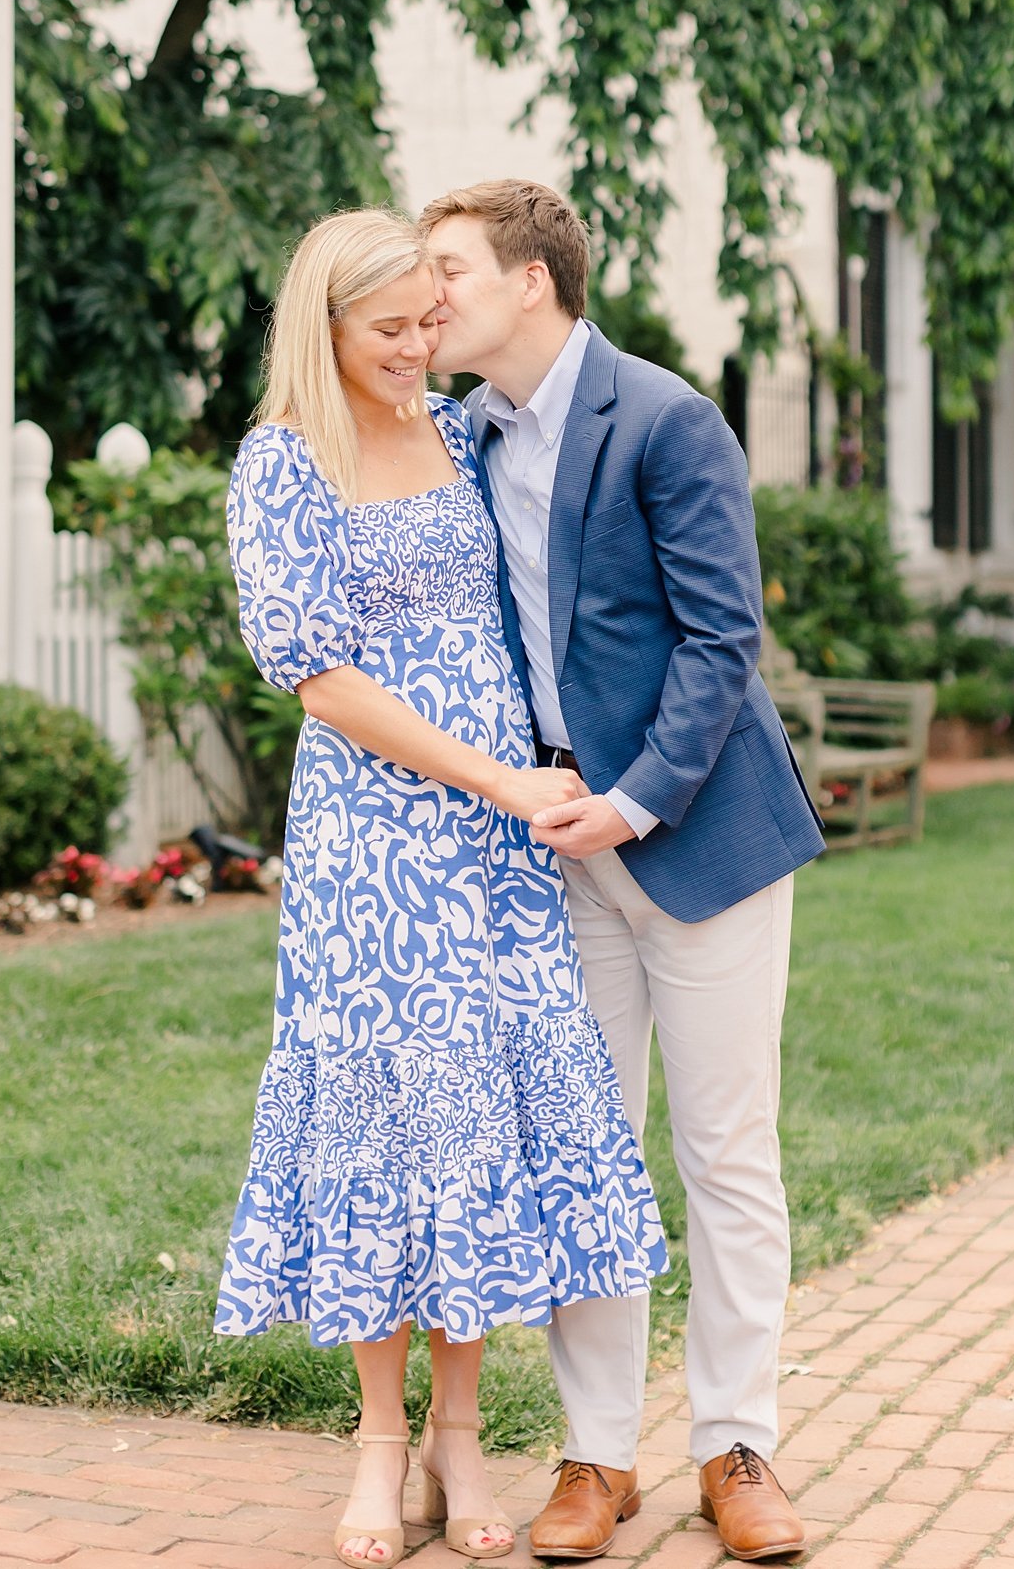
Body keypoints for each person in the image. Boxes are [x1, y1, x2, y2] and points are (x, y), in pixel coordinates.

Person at [214, 208, 667, 1569]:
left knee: (476, 1120)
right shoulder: (283, 460)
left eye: (429, 320)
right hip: (378, 846)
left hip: (498, 849)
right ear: (327, 327)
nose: (421, 350)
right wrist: (494, 776)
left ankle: (459, 1434)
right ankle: (374, 1435)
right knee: (382, 1115)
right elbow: (322, 677)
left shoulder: (465, 433)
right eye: (391, 330)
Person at [425, 181, 824, 1566]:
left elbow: (724, 641)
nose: (431, 294)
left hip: (699, 835)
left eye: (452, 269)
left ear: (533, 281)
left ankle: (738, 1442)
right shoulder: (458, 436)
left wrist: (639, 799)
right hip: (553, 853)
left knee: (723, 1152)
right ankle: (598, 1452)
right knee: (584, 1157)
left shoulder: (663, 417)